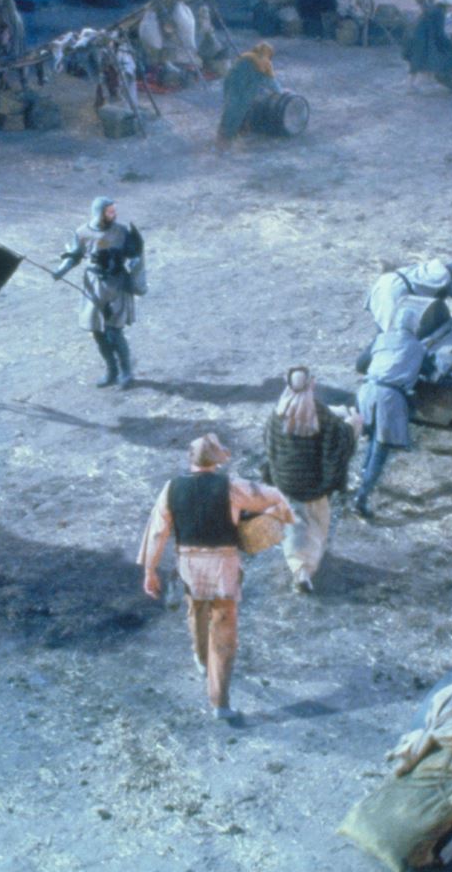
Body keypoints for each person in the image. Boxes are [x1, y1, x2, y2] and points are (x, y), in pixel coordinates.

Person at [139, 434, 294, 724]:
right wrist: (280, 517)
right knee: (223, 631)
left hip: (189, 565)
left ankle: (201, 660)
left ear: (191, 459)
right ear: (216, 460)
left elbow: (158, 531)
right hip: (223, 566)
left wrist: (150, 570)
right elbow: (274, 496)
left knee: (196, 611)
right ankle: (220, 703)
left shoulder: (171, 488)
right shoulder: (232, 486)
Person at [260, 366, 359, 593]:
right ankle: (310, 566)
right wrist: (352, 425)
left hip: (286, 483)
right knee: (316, 525)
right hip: (314, 486)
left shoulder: (277, 414)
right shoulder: (320, 414)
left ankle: (299, 569)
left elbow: (269, 445)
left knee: (292, 528)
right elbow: (339, 443)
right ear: (311, 384)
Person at [55, 195, 145, 389]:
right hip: (94, 286)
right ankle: (111, 371)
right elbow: (74, 255)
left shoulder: (121, 232)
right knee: (98, 333)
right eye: (110, 211)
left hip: (117, 285)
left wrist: (134, 262)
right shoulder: (82, 232)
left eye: (114, 211)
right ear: (99, 213)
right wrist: (61, 270)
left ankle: (126, 372)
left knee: (114, 332)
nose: (114, 214)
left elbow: (134, 254)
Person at [354, 323, 429, 518]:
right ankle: (362, 497)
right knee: (381, 448)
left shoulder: (381, 339)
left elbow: (360, 365)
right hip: (388, 397)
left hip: (366, 392)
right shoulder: (417, 347)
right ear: (414, 328)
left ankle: (362, 477)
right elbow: (430, 370)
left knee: (372, 437)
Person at [364, 258, 452, 334]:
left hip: (381, 287)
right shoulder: (444, 276)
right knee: (440, 311)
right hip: (397, 292)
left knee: (385, 333)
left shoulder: (426, 269)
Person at [215, 41, 278, 152]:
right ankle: (230, 139)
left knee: (229, 111)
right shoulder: (266, 64)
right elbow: (271, 82)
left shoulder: (244, 57)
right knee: (239, 113)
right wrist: (280, 91)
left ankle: (222, 136)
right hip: (246, 93)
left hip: (232, 87)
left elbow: (231, 74)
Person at [402, 0, 452, 90]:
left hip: (414, 36)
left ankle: (421, 81)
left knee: (420, 59)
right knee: (419, 60)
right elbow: (439, 34)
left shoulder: (433, 9)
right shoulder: (439, 14)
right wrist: (451, 46)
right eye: (451, 7)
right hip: (421, 39)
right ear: (446, 6)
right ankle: (410, 85)